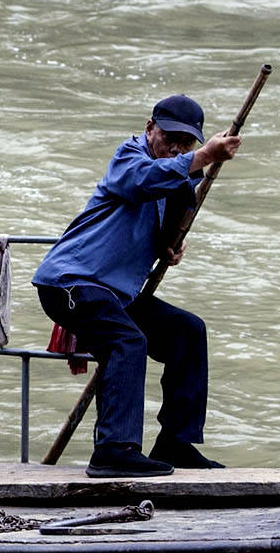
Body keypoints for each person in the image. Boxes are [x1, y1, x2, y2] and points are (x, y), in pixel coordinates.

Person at [32, 94, 241, 477]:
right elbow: (143, 181)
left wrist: (168, 245)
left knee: (187, 332)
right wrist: (204, 157)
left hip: (116, 293)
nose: (176, 148)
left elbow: (162, 221)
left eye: (187, 142)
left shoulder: (174, 178)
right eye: (169, 137)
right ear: (149, 129)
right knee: (128, 341)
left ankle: (176, 442)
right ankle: (114, 449)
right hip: (72, 284)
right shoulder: (129, 158)